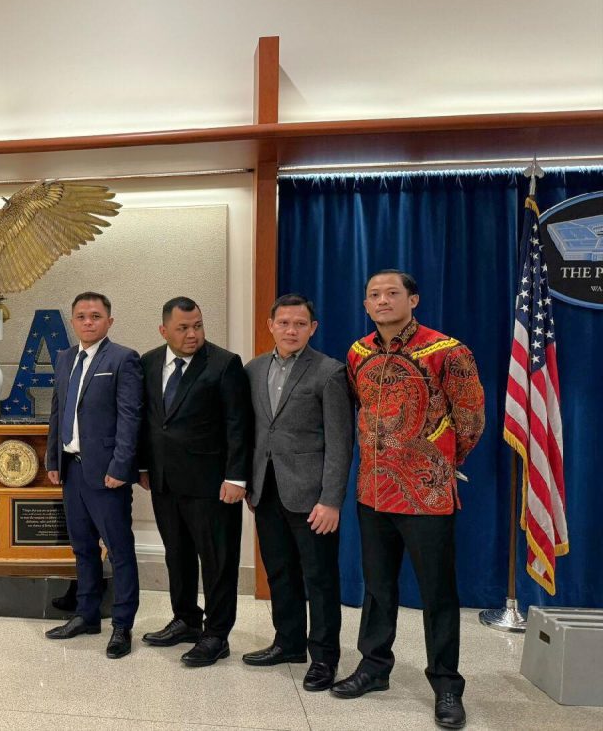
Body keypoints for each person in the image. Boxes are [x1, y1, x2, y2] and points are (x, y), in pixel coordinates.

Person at [332, 270, 485, 731]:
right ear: (365, 305)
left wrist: (437, 462)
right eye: (374, 295)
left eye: (392, 293)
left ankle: (446, 684)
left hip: (427, 494)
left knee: (438, 594)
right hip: (373, 492)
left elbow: (471, 417)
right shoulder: (357, 353)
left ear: (412, 299)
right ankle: (374, 667)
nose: (382, 301)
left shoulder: (447, 351)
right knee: (377, 589)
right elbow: (361, 409)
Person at [242, 294, 353, 691]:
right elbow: (254, 432)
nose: (291, 330)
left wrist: (332, 499)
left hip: (312, 498)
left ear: (313, 328)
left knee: (320, 579)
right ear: (270, 324)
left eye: (300, 324)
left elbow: (340, 443)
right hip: (266, 490)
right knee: (280, 572)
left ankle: (324, 658)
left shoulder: (329, 372)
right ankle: (288, 643)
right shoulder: (253, 369)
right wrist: (248, 484)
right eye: (284, 322)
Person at [138, 297, 251, 667]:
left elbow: (238, 425)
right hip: (166, 482)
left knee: (217, 562)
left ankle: (217, 635)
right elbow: (149, 420)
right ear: (164, 330)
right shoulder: (150, 361)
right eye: (184, 328)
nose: (193, 334)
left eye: (198, 326)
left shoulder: (224, 364)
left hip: (212, 485)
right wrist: (142, 466)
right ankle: (186, 619)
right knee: (178, 556)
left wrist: (236, 477)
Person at [45, 292, 143, 659]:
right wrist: (52, 459)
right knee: (82, 547)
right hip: (71, 469)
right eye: (82, 316)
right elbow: (58, 411)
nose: (89, 322)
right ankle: (86, 614)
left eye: (96, 316)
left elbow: (130, 417)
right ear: (73, 321)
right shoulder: (65, 358)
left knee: (118, 549)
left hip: (106, 474)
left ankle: (122, 624)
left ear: (109, 321)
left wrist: (121, 467)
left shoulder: (122, 359)